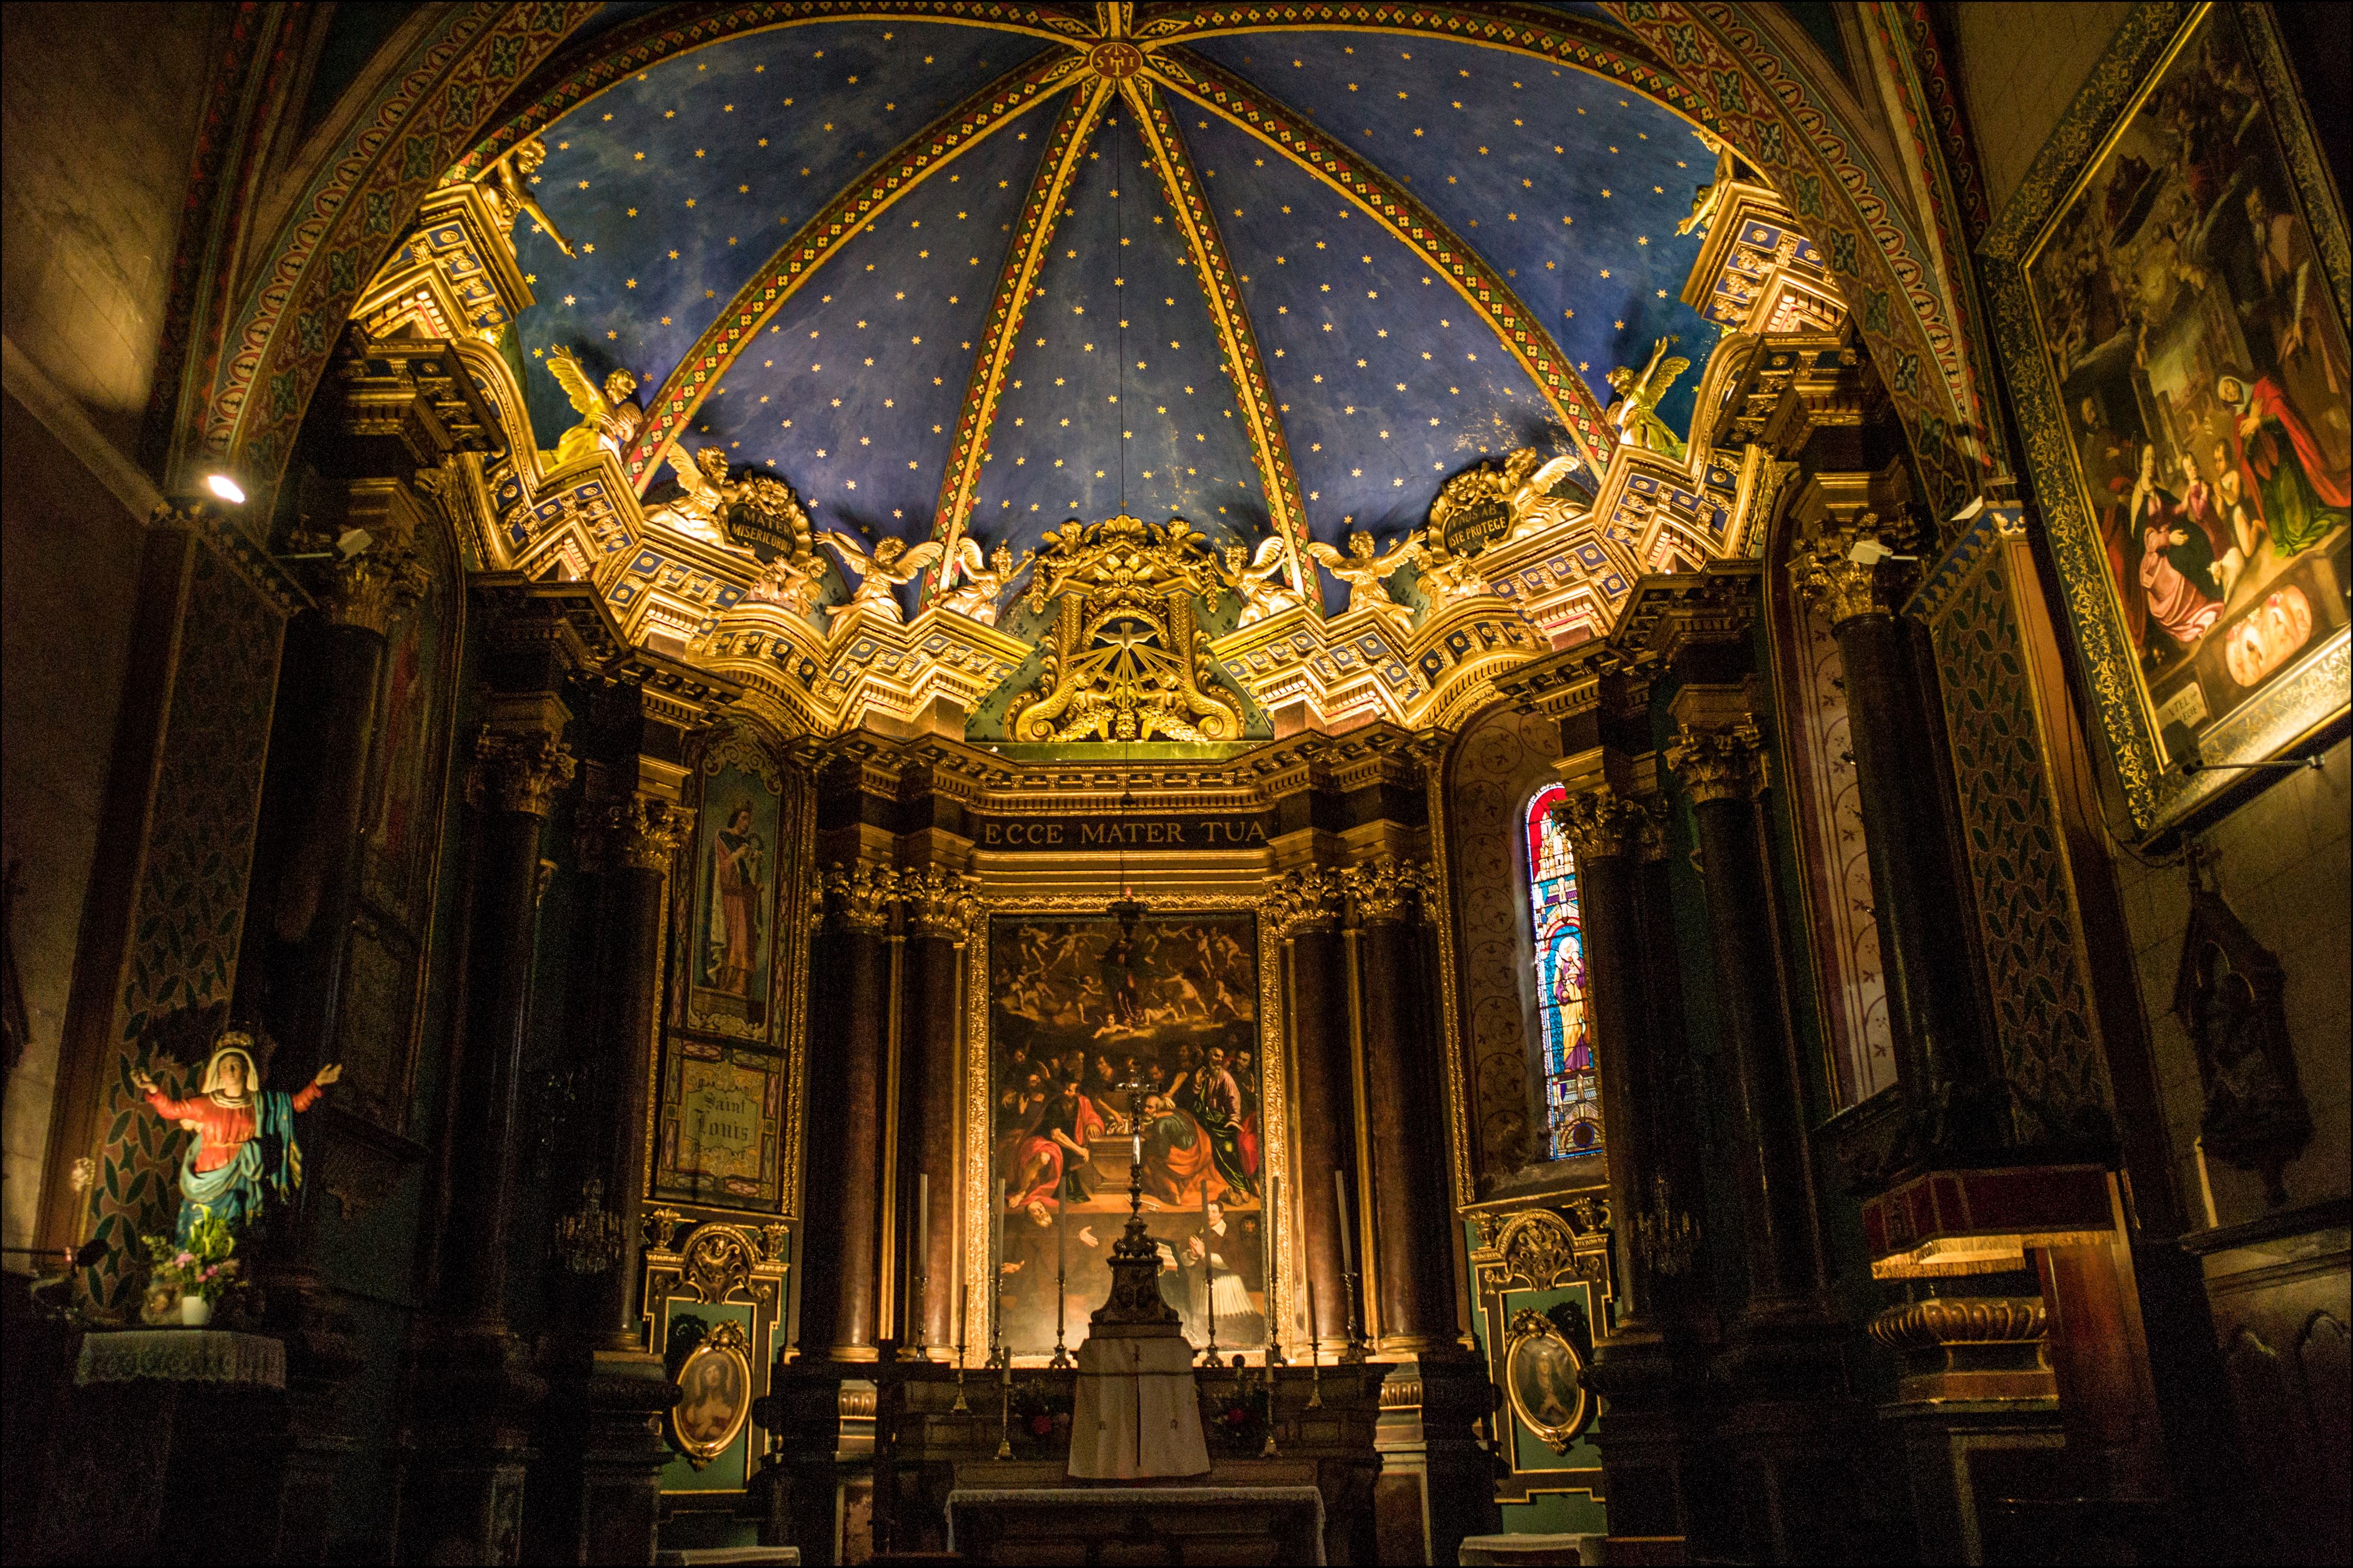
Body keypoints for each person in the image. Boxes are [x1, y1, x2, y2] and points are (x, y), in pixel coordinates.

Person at [131, 1034, 339, 1242]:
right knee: (198, 1236)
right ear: (218, 1072)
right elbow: (172, 1109)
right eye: (225, 1066)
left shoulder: (260, 1103)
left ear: (246, 1068)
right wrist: (153, 1089)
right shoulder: (206, 1104)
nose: (230, 1071)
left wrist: (316, 1085)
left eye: (235, 1065)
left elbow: (293, 1105)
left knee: (233, 1238)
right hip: (207, 1178)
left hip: (243, 1178)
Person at [706, 800, 765, 997]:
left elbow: (747, 875)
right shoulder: (722, 838)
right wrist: (737, 856)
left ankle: (739, 985)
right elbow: (721, 870)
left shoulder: (745, 844)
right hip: (729, 899)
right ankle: (726, 984)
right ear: (736, 818)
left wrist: (755, 885)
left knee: (744, 943)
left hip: (743, 899)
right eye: (744, 818)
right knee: (732, 940)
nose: (747, 823)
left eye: (749, 819)